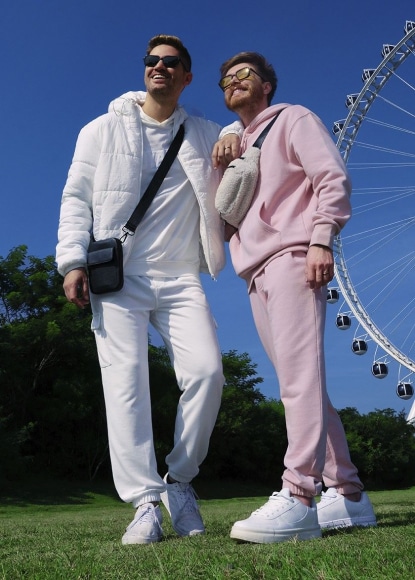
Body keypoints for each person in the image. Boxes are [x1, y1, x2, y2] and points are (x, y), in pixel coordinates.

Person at [56, 34, 240, 545]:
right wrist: (72, 261)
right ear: (145, 71)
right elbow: (76, 197)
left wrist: (235, 143)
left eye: (171, 62)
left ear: (186, 76)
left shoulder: (204, 133)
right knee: (126, 386)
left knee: (207, 372)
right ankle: (144, 503)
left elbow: (250, 142)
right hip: (119, 276)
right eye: (151, 61)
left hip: (182, 276)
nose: (159, 67)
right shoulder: (99, 129)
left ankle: (179, 482)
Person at [214, 52, 377, 544]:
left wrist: (321, 239)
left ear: (267, 85)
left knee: (298, 382)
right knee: (298, 382)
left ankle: (299, 494)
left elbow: (331, 178)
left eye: (243, 75)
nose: (233, 82)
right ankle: (348, 493)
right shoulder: (233, 143)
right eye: (225, 80)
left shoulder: (294, 118)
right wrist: (226, 137)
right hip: (253, 269)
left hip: (291, 255)